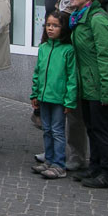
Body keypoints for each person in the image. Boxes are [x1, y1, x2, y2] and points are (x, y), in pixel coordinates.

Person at [68, 0, 108, 188]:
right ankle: (96, 166)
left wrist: (107, 91)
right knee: (92, 127)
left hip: (99, 85)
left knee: (103, 128)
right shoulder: (81, 17)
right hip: (87, 84)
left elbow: (107, 57)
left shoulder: (98, 20)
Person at [31, 11, 78, 179]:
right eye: (48, 25)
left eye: (55, 26)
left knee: (57, 131)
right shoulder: (43, 48)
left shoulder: (68, 50)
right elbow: (38, 72)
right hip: (44, 97)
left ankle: (59, 164)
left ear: (63, 28)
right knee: (47, 130)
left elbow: (72, 77)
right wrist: (34, 93)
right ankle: (49, 160)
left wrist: (69, 101)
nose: (51, 28)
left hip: (59, 99)